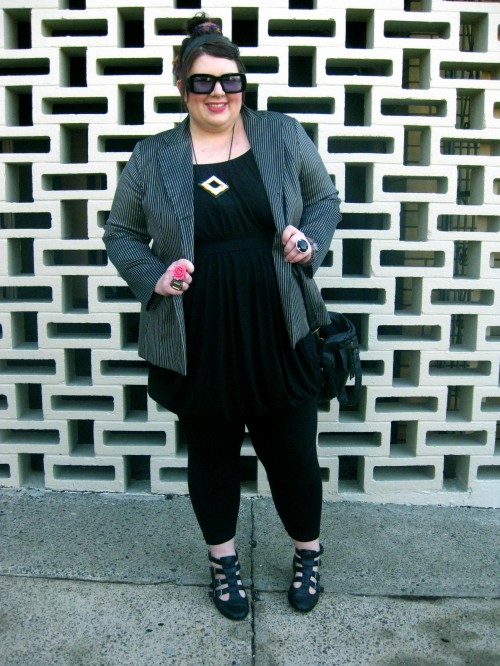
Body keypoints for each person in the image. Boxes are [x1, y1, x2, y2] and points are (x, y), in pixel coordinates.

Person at [103, 13, 341, 621]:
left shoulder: (280, 135)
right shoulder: (155, 155)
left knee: (292, 453)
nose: (218, 94)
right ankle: (223, 561)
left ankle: (307, 552)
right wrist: (154, 277)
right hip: (196, 333)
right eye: (203, 82)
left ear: (244, 86)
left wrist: (307, 241)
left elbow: (323, 198)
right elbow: (121, 232)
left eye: (230, 82)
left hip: (276, 324)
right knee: (210, 455)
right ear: (182, 87)